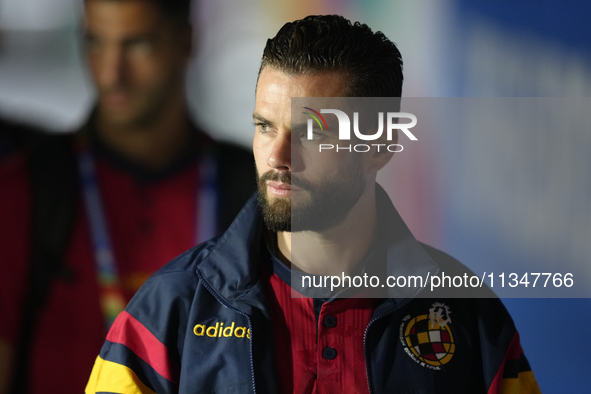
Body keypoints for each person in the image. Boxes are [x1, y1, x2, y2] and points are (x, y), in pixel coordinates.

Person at [85, 15, 541, 393]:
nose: (278, 158)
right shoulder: (169, 313)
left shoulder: (467, 315)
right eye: (265, 126)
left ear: (381, 146)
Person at [0, 0, 254, 393]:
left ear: (186, 42)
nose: (111, 73)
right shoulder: (25, 190)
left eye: (137, 44)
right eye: (96, 42)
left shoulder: (253, 190)